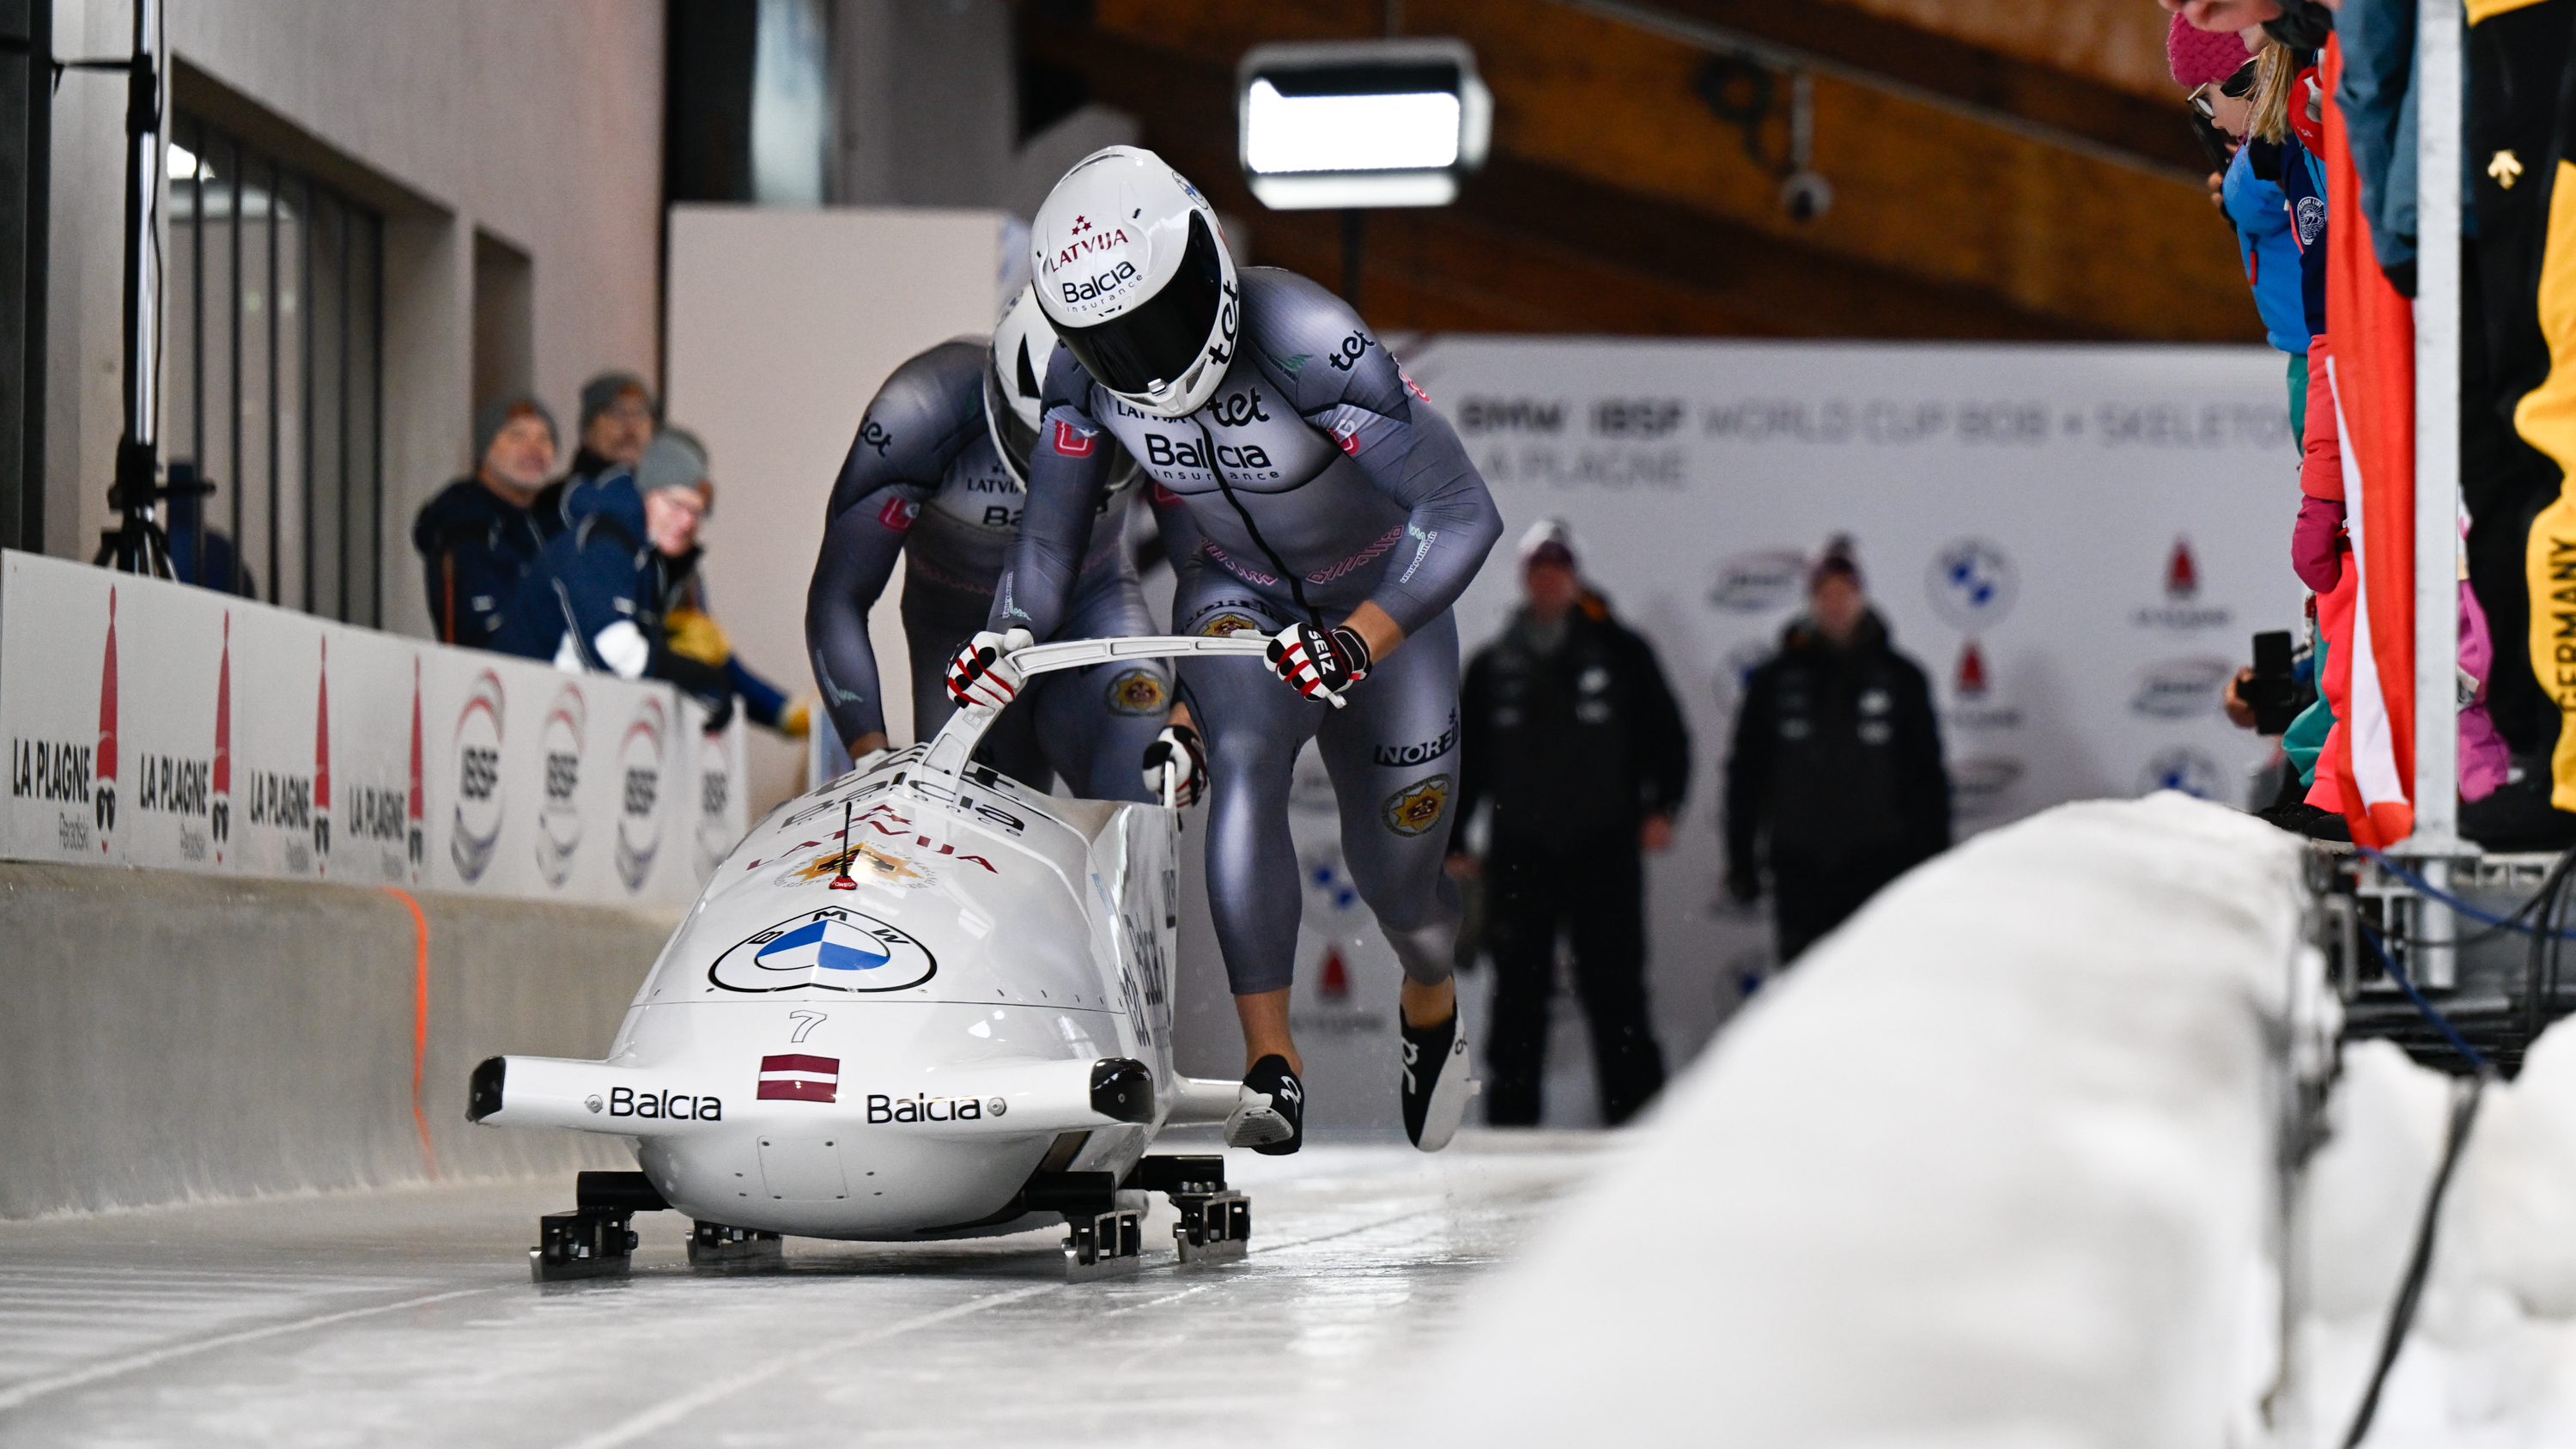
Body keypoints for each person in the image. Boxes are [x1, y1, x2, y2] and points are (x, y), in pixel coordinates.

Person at [950, 145, 1504, 1155]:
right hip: (1233, 591)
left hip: (1377, 593)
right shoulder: (1081, 380)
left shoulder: (1309, 341)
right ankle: (1270, 1062)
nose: (1149, 362)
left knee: (1401, 886)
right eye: (1116, 344)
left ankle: (1430, 995)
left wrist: (1363, 639)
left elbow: (1462, 510)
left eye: (1157, 322)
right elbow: (1047, 538)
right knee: (1244, 767)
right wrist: (1008, 635)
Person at [804, 285, 1170, 793]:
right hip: (958, 629)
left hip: (1095, 607)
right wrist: (869, 751)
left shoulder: (1160, 406)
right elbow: (839, 596)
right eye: (1042, 444)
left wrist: (1190, 717)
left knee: (1140, 778)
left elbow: (1204, 558)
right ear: (998, 400)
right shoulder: (918, 412)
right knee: (970, 831)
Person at [1449, 520, 1688, 1129]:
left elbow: (1669, 738)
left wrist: (1664, 807)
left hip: (1603, 851)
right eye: (1539, 567)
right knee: (1518, 999)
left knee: (1617, 994)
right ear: (1527, 577)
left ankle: (1636, 1129)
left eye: (1559, 566)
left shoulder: (1621, 651)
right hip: (1521, 854)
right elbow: (1465, 763)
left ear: (1574, 575)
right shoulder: (1493, 664)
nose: (1549, 577)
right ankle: (1510, 1134)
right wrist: (1453, 842)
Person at [1723, 538, 1948, 964]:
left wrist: (1933, 861)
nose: (1836, 604)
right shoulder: (1775, 680)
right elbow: (1747, 773)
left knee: (1878, 988)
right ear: (1810, 602)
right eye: (1825, 594)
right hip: (1800, 865)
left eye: (1844, 593)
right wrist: (1740, 858)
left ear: (1861, 598)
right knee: (1802, 996)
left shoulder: (1901, 678)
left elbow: (1926, 778)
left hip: (1881, 863)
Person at [507, 429, 735, 728]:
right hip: (522, 713)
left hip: (554, 717)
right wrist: (696, 676)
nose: (687, 522)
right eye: (676, 505)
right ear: (646, 493)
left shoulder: (644, 555)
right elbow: (614, 648)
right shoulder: (604, 543)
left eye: (696, 511)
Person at [411, 393, 556, 650]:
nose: (534, 449)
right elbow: (490, 637)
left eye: (544, 438)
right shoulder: (464, 527)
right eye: (517, 436)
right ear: (485, 448)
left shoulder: (553, 522)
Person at [532, 371, 659, 536]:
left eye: (640, 413)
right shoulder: (557, 501)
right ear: (587, 432)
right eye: (615, 412)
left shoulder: (662, 498)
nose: (630, 423)